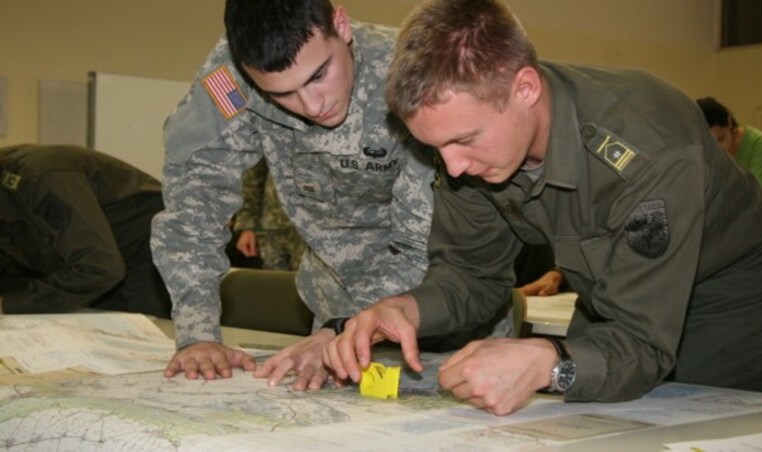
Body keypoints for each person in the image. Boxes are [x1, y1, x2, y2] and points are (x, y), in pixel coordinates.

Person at [324, 0, 762, 416]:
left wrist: (550, 361)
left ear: (525, 88)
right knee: (590, 422)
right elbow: (472, 274)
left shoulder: (646, 147)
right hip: (610, 288)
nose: (453, 167)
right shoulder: (470, 152)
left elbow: (642, 340)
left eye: (464, 140)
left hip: (721, 287)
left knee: (706, 427)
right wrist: (408, 308)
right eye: (436, 148)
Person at [151, 0, 513, 386]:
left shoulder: (412, 74)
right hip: (332, 319)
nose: (311, 105)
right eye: (282, 94)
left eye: (319, 74)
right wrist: (198, 334)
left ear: (341, 25)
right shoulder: (232, 83)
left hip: (444, 316)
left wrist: (341, 331)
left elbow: (424, 240)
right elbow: (193, 208)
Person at [0, 144, 171, 318]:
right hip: (104, 264)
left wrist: (9, 304)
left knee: (132, 334)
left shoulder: (43, 179)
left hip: (146, 253)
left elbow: (99, 267)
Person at [697, 96, 762, 266]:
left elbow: (758, 195)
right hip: (743, 220)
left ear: (729, 123)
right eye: (710, 144)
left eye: (720, 139)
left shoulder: (760, 142)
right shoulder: (708, 153)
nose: (717, 150)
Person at [233, 158, 306, 271]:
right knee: (273, 284)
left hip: (316, 228)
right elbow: (253, 177)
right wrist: (247, 226)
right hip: (274, 225)